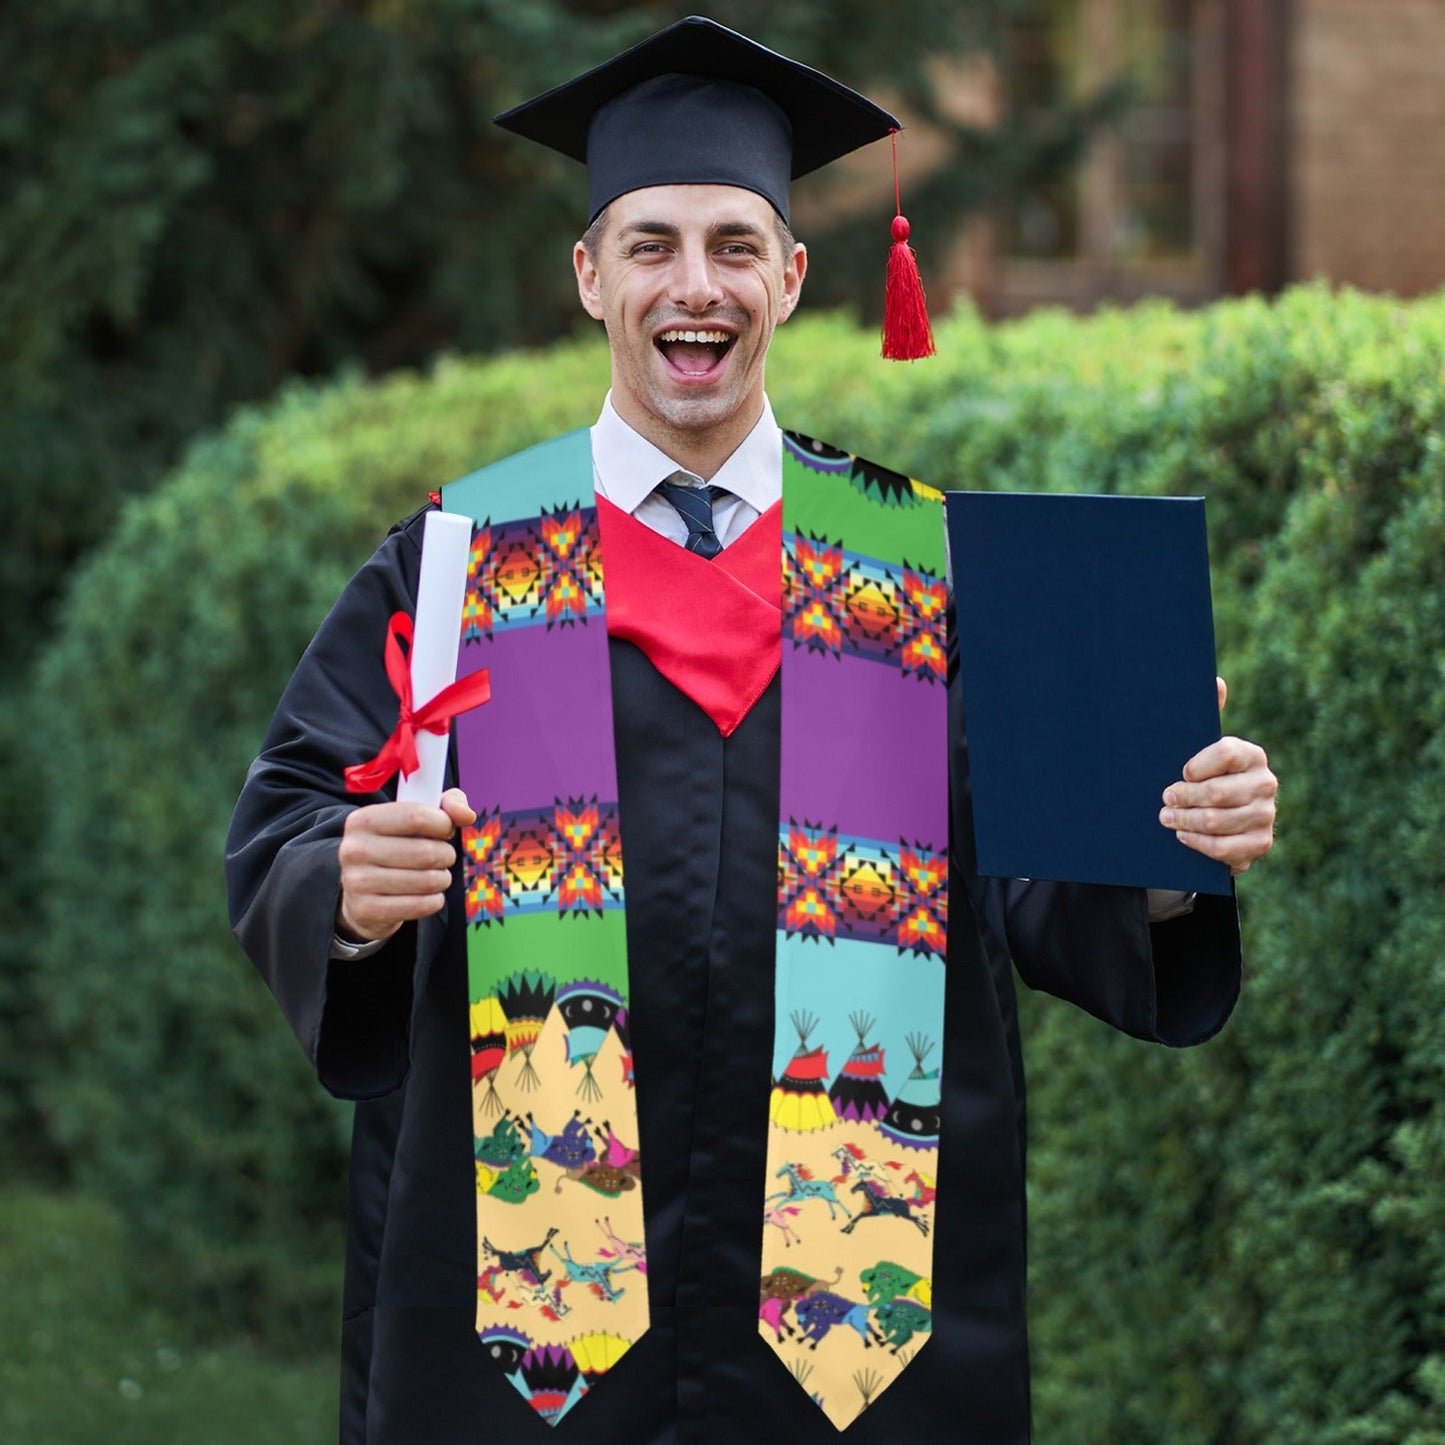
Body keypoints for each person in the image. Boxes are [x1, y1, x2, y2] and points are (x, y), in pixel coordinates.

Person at [225, 17, 1277, 1445]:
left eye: (732, 244)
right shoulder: (464, 561)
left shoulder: (918, 567)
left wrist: (1165, 843)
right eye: (650, 244)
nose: (692, 285)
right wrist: (342, 887)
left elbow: (1039, 884)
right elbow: (290, 818)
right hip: (533, 1332)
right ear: (589, 275)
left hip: (854, 1328)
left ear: (789, 276)